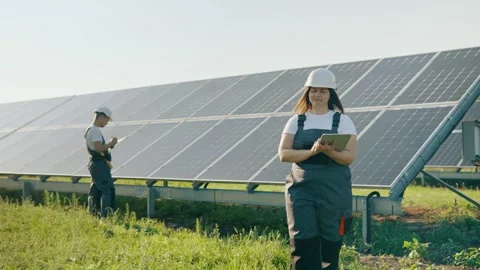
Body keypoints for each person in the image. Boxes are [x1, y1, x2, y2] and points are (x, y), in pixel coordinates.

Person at [278, 68, 357, 270]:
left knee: (330, 240)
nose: (318, 95)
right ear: (307, 93)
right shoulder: (296, 121)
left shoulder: (343, 121)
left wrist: (328, 151)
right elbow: (284, 154)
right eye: (314, 90)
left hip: (333, 189)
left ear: (331, 94)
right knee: (302, 239)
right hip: (301, 188)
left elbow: (348, 157)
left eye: (323, 91)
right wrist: (312, 152)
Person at [85, 106, 118, 217]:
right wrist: (111, 142)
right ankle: (106, 217)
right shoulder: (94, 130)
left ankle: (93, 214)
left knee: (95, 190)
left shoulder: (90, 129)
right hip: (99, 165)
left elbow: (98, 148)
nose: (107, 123)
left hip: (96, 164)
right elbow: (98, 148)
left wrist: (109, 146)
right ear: (101, 117)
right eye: (107, 120)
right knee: (107, 190)